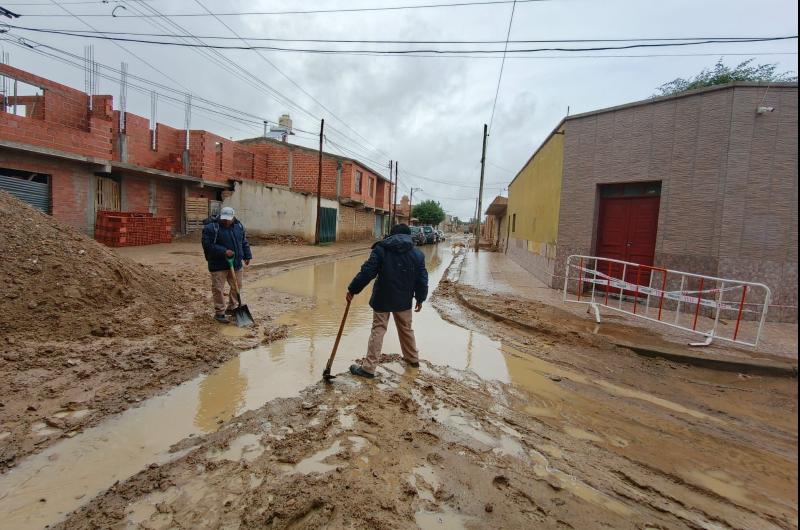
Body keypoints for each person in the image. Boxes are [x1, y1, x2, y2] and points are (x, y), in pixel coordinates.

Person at [346, 223, 428, 378]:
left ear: (391, 235)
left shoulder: (381, 249)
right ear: (408, 236)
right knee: (406, 329)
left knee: (378, 330)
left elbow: (367, 272)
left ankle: (369, 368)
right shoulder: (417, 254)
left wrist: (353, 289)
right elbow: (422, 279)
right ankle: (412, 359)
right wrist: (420, 298)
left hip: (382, 298)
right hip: (404, 300)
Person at [201, 206, 253, 323]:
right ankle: (220, 312)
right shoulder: (211, 228)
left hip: (235, 262)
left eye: (229, 219)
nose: (226, 221)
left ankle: (233, 307)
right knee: (218, 288)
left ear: (233, 217)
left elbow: (243, 241)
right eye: (224, 219)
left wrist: (247, 255)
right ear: (221, 216)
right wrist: (224, 251)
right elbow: (207, 245)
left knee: (237, 285)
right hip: (218, 264)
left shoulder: (239, 226)